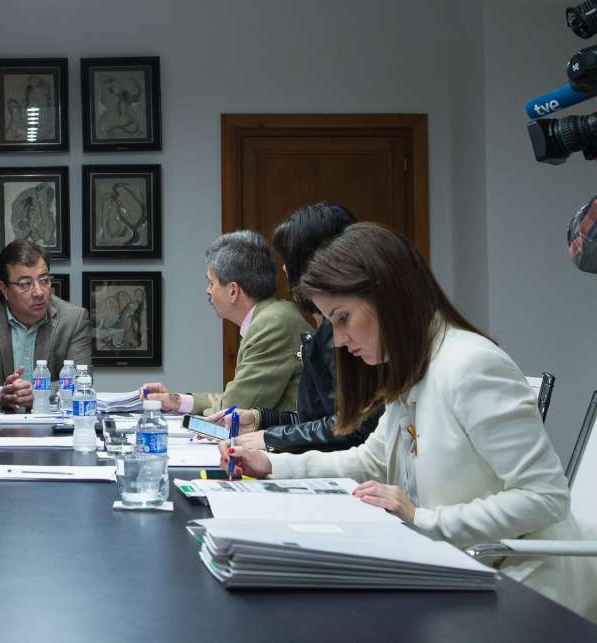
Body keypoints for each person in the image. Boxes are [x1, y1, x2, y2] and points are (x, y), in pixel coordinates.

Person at [222, 222, 597, 621]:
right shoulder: (415, 366)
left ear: (387, 296)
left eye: (343, 317)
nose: (340, 340)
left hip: (528, 589)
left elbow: (545, 497)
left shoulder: (471, 365)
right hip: (464, 570)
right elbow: (371, 460)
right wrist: (272, 465)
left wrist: (422, 519)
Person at [208, 202, 382, 453]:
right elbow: (316, 420)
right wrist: (260, 419)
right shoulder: (325, 331)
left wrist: (272, 438)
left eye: (290, 260)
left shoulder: (345, 337)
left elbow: (350, 429)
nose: (284, 270)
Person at [142, 230, 311, 414]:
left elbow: (231, 412)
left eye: (211, 283)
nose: (208, 290)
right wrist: (177, 401)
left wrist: (222, 407)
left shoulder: (272, 325)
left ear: (233, 291)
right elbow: (236, 399)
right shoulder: (272, 316)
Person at [0, 239, 92, 412]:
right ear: (4, 288)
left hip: (53, 422)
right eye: (25, 284)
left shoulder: (73, 319)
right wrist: (0, 395)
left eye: (44, 280)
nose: (38, 292)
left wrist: (38, 393)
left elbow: (81, 379)